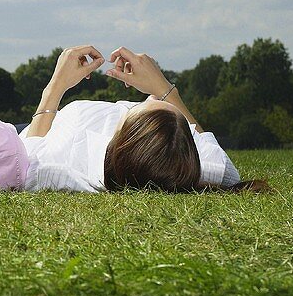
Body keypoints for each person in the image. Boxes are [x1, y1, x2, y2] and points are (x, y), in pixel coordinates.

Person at [21, 45, 260, 192]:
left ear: (124, 134)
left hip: (30, 126)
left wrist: (56, 85)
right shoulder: (191, 166)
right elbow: (226, 169)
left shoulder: (63, 159)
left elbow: (27, 155)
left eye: (147, 105)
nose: (150, 97)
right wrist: (165, 89)